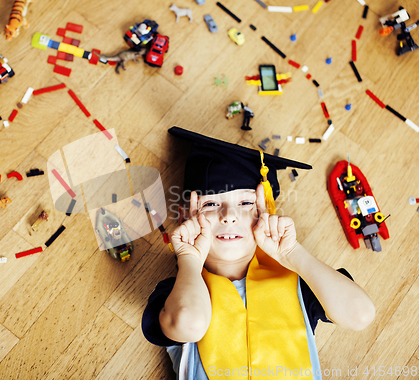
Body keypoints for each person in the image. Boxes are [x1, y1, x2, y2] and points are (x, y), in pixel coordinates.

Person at [142, 127, 375, 380]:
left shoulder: (298, 284)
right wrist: (188, 261)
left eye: (245, 203)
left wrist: (292, 253)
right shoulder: (176, 294)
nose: (229, 216)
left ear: (266, 212)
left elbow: (360, 314)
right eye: (210, 204)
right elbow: (189, 323)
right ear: (185, 215)